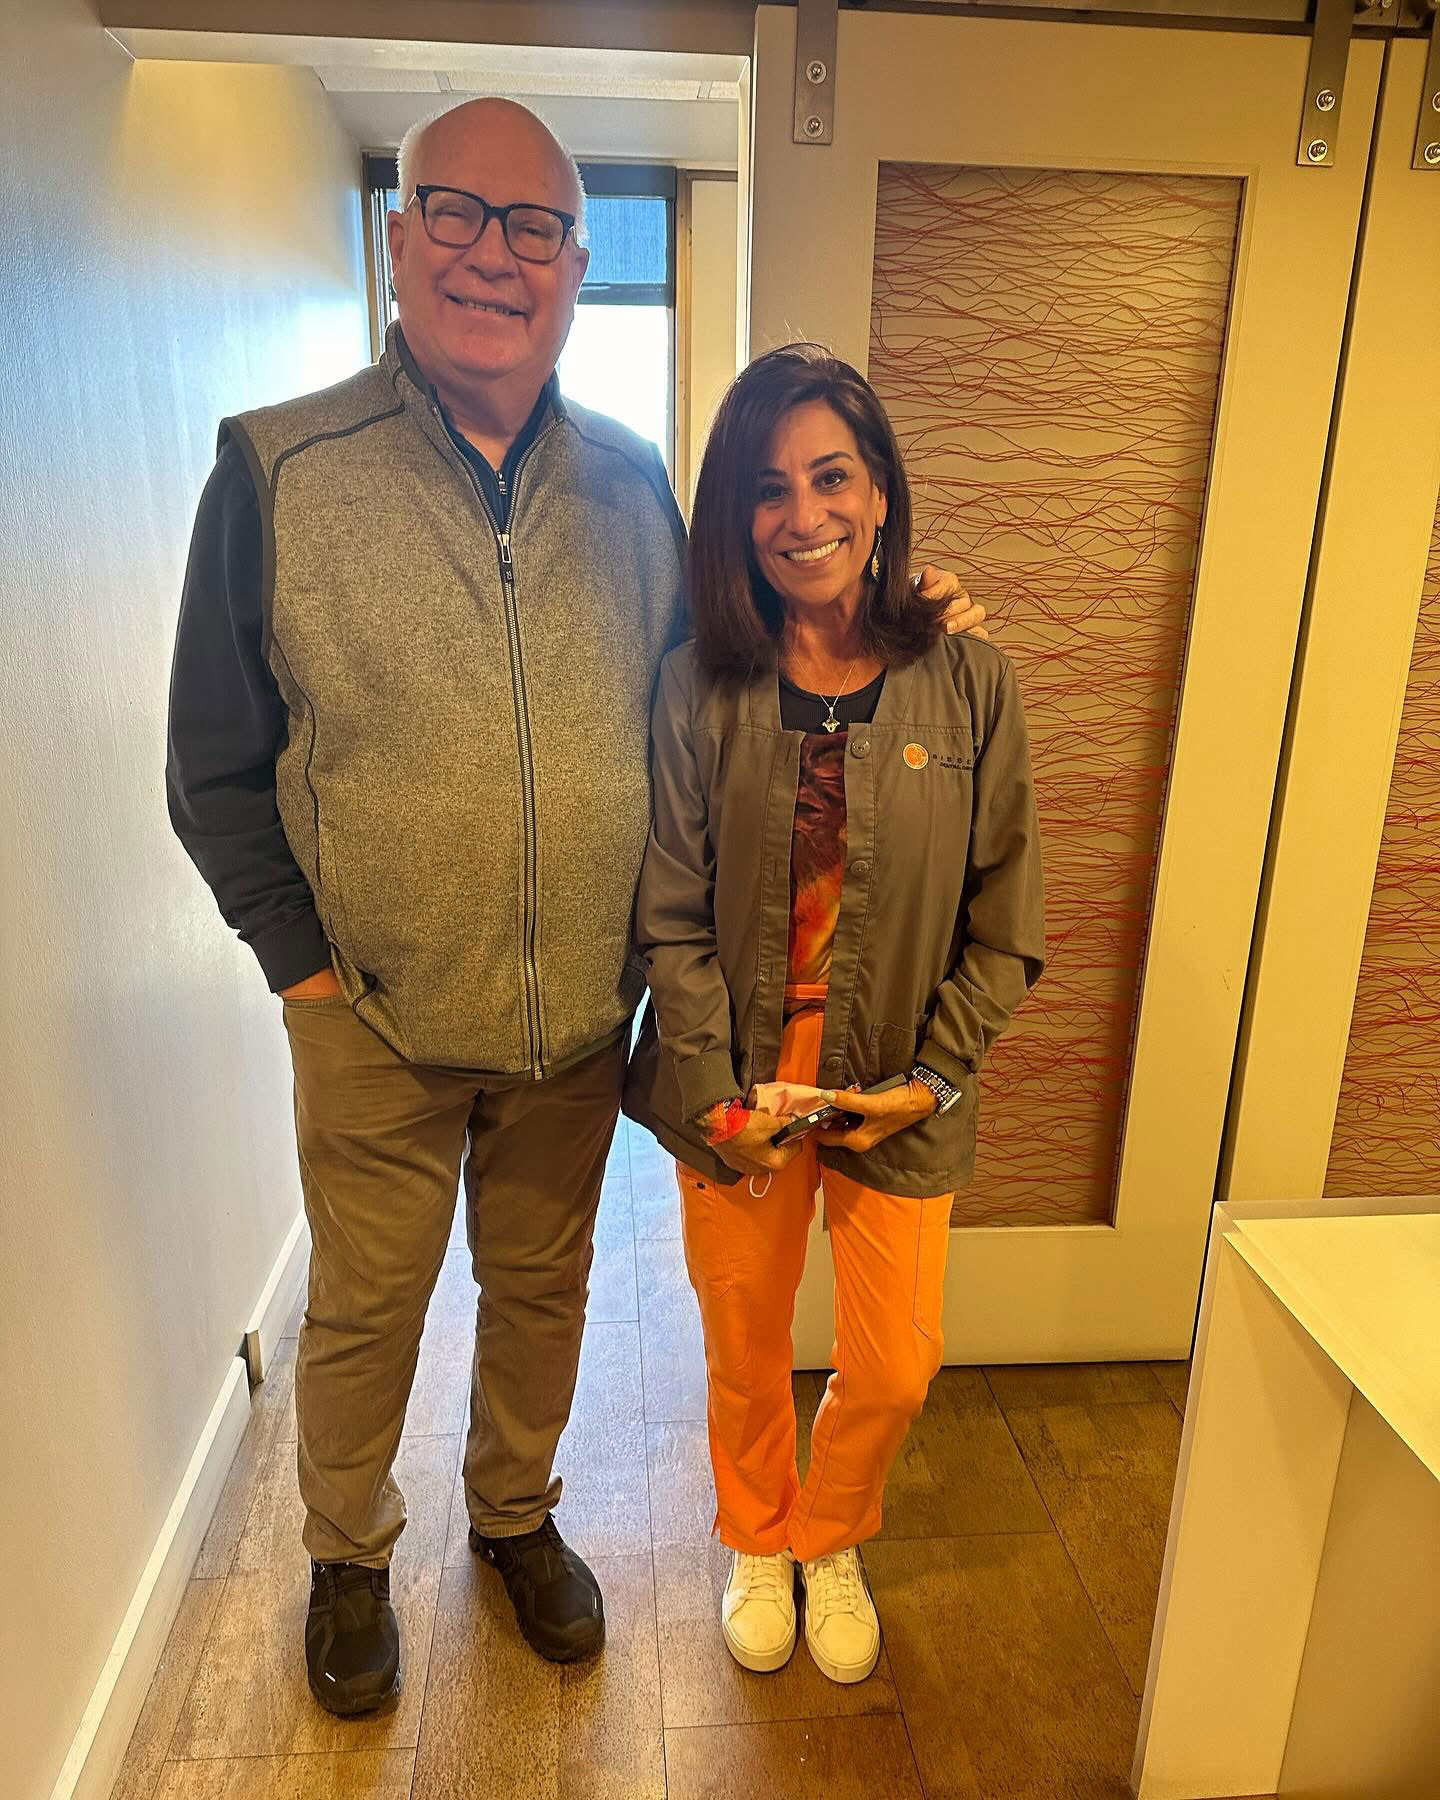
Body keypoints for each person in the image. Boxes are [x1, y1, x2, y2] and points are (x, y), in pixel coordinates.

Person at [165, 101, 985, 1715]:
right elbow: (213, 767)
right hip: (375, 1018)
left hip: (569, 1033)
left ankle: (514, 1520)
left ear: (575, 265)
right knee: (368, 1306)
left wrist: (913, 621)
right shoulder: (280, 468)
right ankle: (346, 1554)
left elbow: (746, 681)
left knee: (542, 1296)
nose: (493, 253)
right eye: (456, 214)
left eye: (532, 227)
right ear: (400, 239)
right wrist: (306, 975)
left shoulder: (630, 490)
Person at [624, 343, 1044, 1686]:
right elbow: (670, 913)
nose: (801, 515)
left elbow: (1009, 918)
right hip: (738, 1072)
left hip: (895, 1082)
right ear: (733, 519)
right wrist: (709, 1085)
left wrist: (934, 1075)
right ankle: (759, 1534)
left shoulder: (973, 683)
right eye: (767, 488)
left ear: (879, 495)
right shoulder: (697, 686)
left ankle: (831, 1532)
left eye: (830, 477)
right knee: (745, 1344)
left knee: (901, 1359)